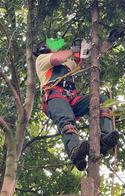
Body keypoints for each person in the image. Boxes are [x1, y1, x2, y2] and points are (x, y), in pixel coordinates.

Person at [33, 41, 119, 171]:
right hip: (55, 96)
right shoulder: (42, 59)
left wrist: (106, 42)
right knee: (67, 121)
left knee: (102, 101)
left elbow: (86, 62)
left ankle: (104, 139)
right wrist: (73, 50)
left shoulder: (68, 63)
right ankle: (75, 151)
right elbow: (57, 58)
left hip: (72, 97)